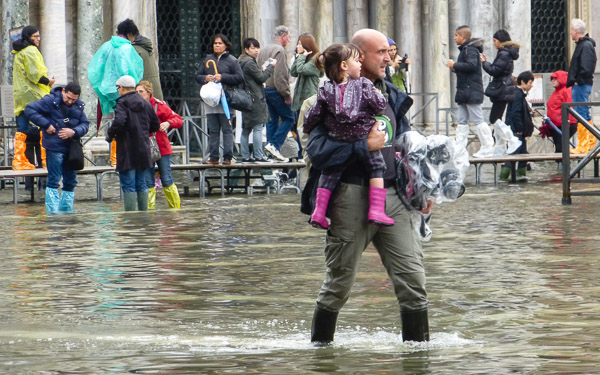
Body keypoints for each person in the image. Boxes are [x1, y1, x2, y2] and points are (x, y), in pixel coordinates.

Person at [305, 29, 430, 345]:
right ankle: (321, 356)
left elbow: (403, 148)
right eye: (381, 53)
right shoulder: (328, 96)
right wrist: (363, 145)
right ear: (358, 57)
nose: (389, 57)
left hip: (394, 199)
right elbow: (317, 152)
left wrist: (421, 189)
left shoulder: (393, 97)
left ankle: (418, 359)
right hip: (350, 197)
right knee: (338, 287)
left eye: (390, 51)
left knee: (414, 285)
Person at [303, 43, 392, 229]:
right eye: (356, 59)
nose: (360, 62)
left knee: (329, 174)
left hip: (337, 139)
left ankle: (318, 212)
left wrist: (307, 126)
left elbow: (314, 115)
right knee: (376, 167)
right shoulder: (364, 85)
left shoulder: (325, 89)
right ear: (344, 65)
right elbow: (379, 106)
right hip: (362, 137)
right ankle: (376, 210)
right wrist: (379, 95)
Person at [25, 82, 89, 214]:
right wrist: (46, 125)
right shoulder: (50, 100)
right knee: (54, 179)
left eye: (74, 99)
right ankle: (52, 212)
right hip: (54, 146)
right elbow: (29, 109)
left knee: (71, 181)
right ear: (64, 91)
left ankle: (67, 210)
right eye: (68, 98)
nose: (70, 102)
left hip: (71, 148)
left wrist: (74, 131)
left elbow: (85, 124)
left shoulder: (79, 105)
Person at [88, 24, 144, 167]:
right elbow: (129, 68)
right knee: (127, 121)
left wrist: (103, 84)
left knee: (117, 118)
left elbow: (96, 67)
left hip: (108, 88)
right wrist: (132, 84)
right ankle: (122, 155)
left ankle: (115, 158)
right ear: (130, 33)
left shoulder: (107, 46)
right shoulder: (126, 47)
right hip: (125, 89)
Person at [106, 75, 160, 211]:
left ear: (122, 88)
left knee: (128, 184)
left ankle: (130, 218)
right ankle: (143, 216)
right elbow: (156, 124)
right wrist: (143, 131)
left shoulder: (122, 103)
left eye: (118, 88)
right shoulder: (145, 103)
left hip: (126, 148)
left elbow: (119, 121)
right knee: (142, 183)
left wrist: (111, 134)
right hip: (143, 147)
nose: (118, 90)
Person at [195, 34, 244, 165]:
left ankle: (228, 157)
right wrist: (206, 78)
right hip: (211, 100)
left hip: (225, 99)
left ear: (226, 45)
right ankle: (214, 157)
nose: (217, 45)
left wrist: (223, 77)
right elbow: (198, 76)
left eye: (220, 43)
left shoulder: (232, 61)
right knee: (213, 129)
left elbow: (239, 77)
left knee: (227, 129)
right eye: (215, 43)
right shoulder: (207, 60)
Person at [11, 25, 55, 171]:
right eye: (35, 36)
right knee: (44, 123)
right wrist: (48, 81)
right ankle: (45, 159)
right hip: (34, 93)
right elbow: (35, 74)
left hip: (21, 95)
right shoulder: (30, 51)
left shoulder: (19, 52)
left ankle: (18, 159)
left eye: (38, 36)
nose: (38, 39)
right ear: (28, 37)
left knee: (22, 125)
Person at [135, 80, 182, 209]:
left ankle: (175, 209)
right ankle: (149, 209)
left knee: (166, 178)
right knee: (148, 181)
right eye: (137, 92)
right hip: (144, 148)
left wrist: (168, 123)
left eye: (141, 92)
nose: (138, 94)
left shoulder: (159, 105)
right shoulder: (134, 106)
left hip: (162, 148)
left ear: (149, 92)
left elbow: (178, 119)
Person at [447, 25, 492, 158]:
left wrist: (454, 65)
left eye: (456, 35)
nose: (454, 38)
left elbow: (472, 66)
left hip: (471, 90)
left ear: (462, 36)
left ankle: (487, 146)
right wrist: (455, 68)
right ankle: (459, 150)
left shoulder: (470, 50)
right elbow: (468, 68)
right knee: (461, 121)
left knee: (477, 119)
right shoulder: (466, 50)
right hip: (465, 91)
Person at [257, 25, 294, 162]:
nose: (289, 40)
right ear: (283, 36)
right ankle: (274, 145)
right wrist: (286, 94)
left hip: (264, 89)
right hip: (276, 90)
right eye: (288, 37)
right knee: (289, 118)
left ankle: (270, 152)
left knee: (271, 121)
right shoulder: (280, 51)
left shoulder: (264, 50)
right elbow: (281, 75)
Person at [238, 37, 276, 163]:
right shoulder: (249, 63)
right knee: (258, 128)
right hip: (255, 99)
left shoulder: (243, 62)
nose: (256, 50)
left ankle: (245, 155)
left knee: (246, 128)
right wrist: (271, 67)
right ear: (246, 49)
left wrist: (261, 70)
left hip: (247, 99)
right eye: (253, 48)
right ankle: (259, 155)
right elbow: (261, 78)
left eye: (257, 47)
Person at [567, 18, 597, 154]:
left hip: (581, 85)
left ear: (576, 31)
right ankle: (591, 142)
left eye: (571, 30)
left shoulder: (585, 46)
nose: (570, 33)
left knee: (581, 114)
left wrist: (578, 80)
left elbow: (587, 67)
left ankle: (584, 145)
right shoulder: (583, 45)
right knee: (583, 113)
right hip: (581, 84)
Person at [291, 33, 322, 159]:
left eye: (300, 44)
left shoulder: (316, 59)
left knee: (305, 128)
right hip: (300, 99)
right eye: (297, 43)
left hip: (309, 99)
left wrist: (301, 57)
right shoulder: (304, 58)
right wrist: (298, 56)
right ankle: (300, 154)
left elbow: (302, 70)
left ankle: (306, 154)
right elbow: (293, 72)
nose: (298, 46)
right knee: (298, 128)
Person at [118, 19, 164, 100]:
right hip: (151, 90)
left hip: (143, 93)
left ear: (129, 35)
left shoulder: (133, 50)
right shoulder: (144, 46)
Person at [501, 71, 535, 181]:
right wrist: (519, 129)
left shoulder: (518, 93)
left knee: (522, 153)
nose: (531, 85)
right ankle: (505, 177)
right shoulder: (518, 94)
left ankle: (520, 176)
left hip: (516, 129)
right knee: (514, 154)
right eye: (530, 82)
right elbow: (516, 112)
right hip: (516, 130)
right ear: (522, 82)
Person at [481, 29, 520, 124]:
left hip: (502, 88)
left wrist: (484, 62)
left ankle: (503, 137)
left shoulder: (504, 54)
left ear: (500, 40)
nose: (494, 44)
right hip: (504, 88)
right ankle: (499, 137)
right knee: (497, 118)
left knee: (494, 119)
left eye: (494, 41)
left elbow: (494, 70)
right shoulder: (506, 53)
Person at [545, 71, 577, 154]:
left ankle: (564, 166)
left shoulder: (566, 90)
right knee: (559, 147)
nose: (553, 81)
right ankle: (561, 165)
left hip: (564, 124)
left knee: (561, 148)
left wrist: (567, 123)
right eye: (552, 79)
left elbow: (570, 107)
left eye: (555, 79)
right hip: (557, 125)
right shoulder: (557, 91)